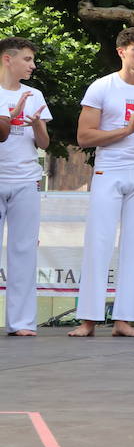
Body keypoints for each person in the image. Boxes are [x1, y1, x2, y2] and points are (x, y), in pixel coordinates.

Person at [69, 27, 134, 338]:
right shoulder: (102, 87)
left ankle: (124, 319)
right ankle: (88, 319)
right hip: (109, 171)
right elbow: (84, 136)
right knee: (99, 242)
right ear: (122, 52)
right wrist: (126, 131)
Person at [1, 37, 51, 336]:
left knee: (23, 252)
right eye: (27, 60)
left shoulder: (35, 94)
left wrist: (36, 125)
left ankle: (21, 323)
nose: (32, 65)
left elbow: (44, 143)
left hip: (25, 181)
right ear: (8, 59)